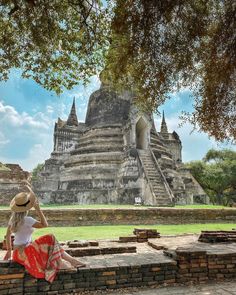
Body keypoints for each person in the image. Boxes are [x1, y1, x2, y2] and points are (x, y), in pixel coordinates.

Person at [4, 182, 86, 283]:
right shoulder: (28, 220)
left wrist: (9, 251)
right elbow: (45, 224)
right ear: (27, 207)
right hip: (25, 253)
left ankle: (69, 261)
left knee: (50, 243)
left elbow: (8, 236)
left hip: (17, 254)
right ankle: (66, 261)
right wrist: (38, 209)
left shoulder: (13, 220)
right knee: (50, 238)